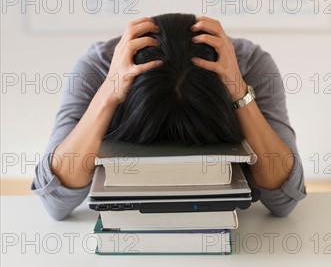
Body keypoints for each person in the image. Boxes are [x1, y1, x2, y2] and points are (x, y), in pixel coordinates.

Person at [31, 13, 307, 220]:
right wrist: (108, 95)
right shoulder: (99, 67)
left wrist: (238, 91)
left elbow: (283, 198)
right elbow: (55, 201)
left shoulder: (249, 64)